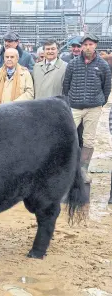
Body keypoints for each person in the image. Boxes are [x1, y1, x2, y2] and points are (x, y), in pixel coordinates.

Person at [63, 33, 111, 184]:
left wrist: (100, 102)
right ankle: (67, 169)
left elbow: (107, 86)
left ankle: (83, 169)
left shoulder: (103, 65)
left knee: (89, 140)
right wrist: (69, 100)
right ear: (82, 46)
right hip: (75, 106)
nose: (88, 47)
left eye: (91, 44)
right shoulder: (73, 64)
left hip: (93, 108)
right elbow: (66, 84)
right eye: (85, 44)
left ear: (95, 45)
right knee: (68, 136)